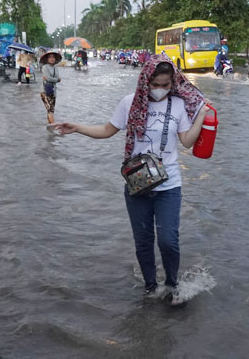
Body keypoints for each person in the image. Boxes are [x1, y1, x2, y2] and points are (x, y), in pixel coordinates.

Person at [50, 54, 212, 307]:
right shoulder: (129, 103)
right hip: (137, 184)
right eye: (155, 84)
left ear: (173, 83)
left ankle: (172, 284)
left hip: (169, 185)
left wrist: (201, 114)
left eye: (166, 85)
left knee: (169, 240)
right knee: (143, 240)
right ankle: (150, 288)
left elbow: (187, 142)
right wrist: (77, 127)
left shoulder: (179, 105)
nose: (160, 90)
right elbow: (106, 130)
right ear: (145, 80)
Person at [40, 50, 62, 124]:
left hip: (53, 91)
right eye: (50, 57)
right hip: (44, 91)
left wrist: (55, 79)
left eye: (53, 57)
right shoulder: (45, 67)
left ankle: (50, 129)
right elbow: (50, 78)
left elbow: (58, 78)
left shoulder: (56, 68)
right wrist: (56, 79)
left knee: (51, 110)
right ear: (47, 59)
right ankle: (54, 127)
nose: (52, 59)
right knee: (50, 110)